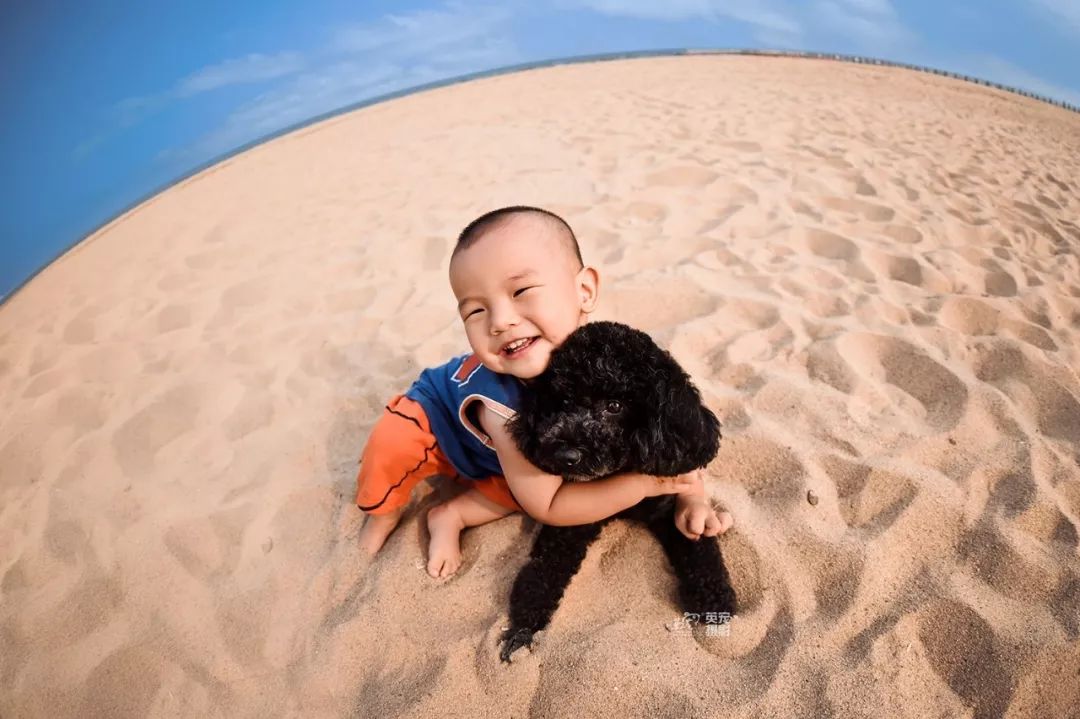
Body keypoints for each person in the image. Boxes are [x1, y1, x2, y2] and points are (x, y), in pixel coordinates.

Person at [355, 206, 733, 578]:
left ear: (583, 291)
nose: (501, 321)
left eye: (521, 290)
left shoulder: (607, 355)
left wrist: (691, 495)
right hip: (436, 422)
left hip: (503, 459)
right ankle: (383, 512)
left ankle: (450, 515)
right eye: (475, 311)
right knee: (392, 444)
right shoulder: (503, 409)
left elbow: (666, 423)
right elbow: (550, 507)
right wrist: (643, 485)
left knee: (515, 489)